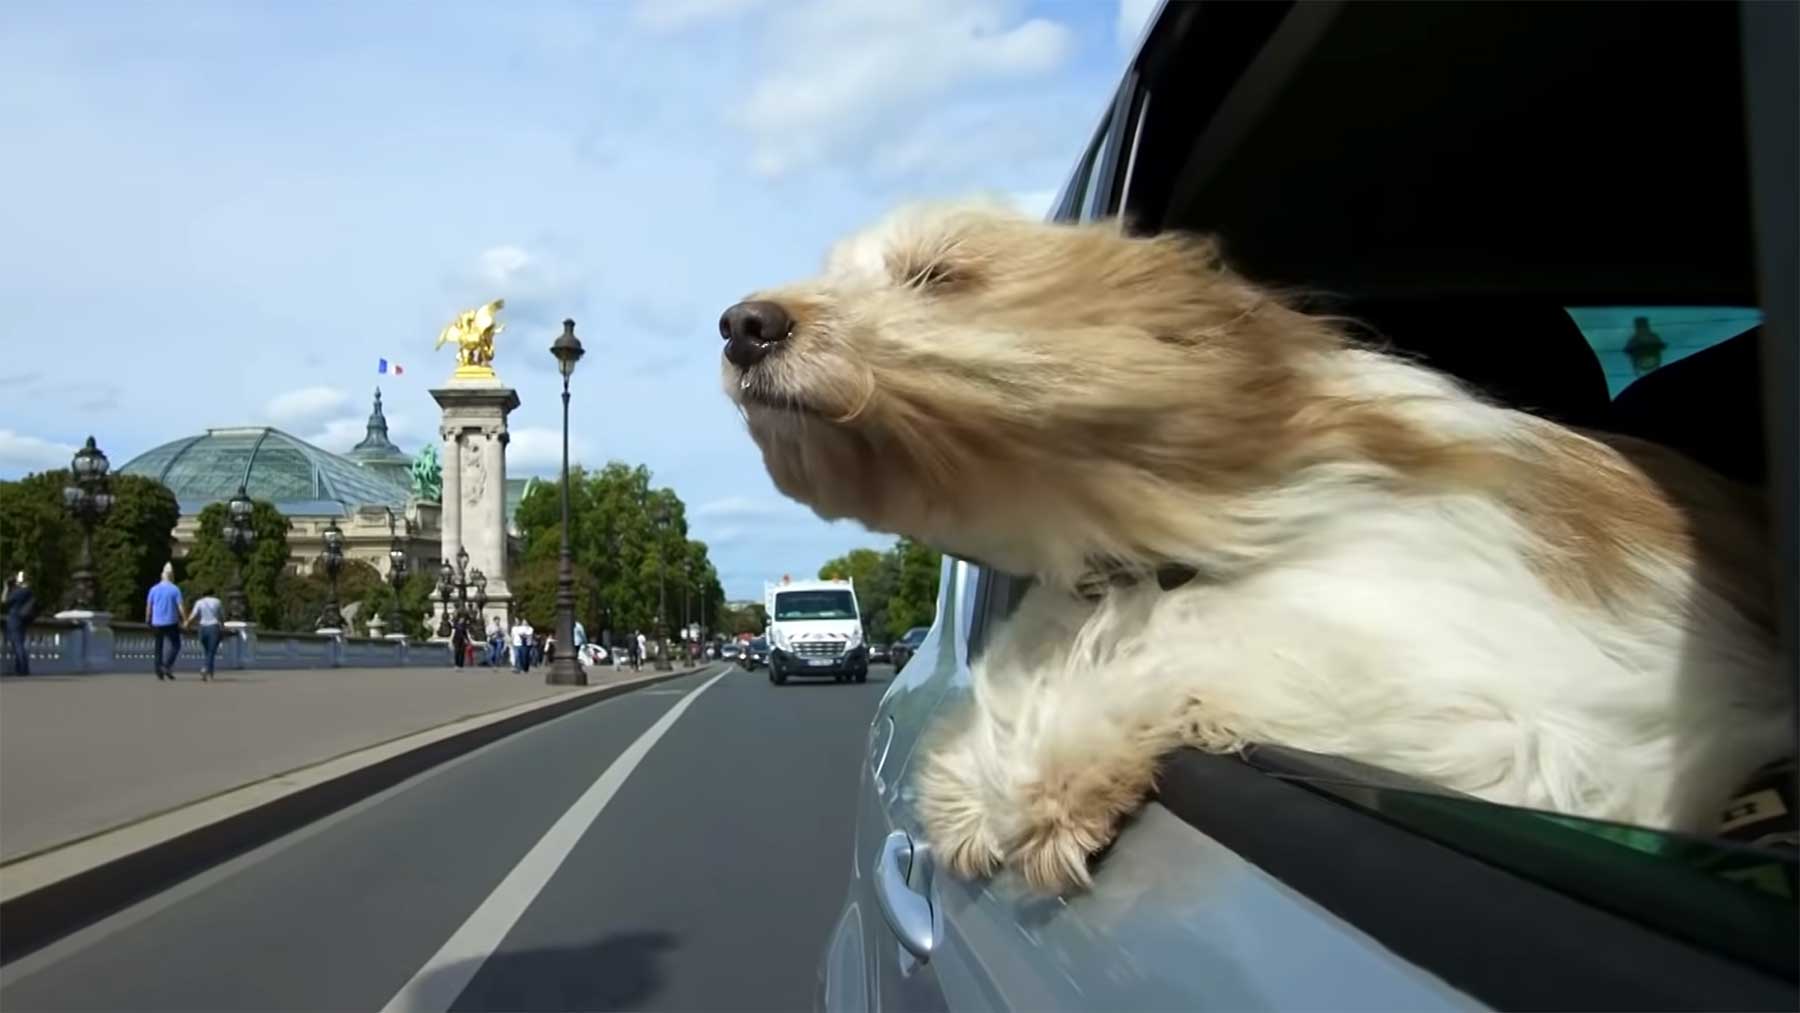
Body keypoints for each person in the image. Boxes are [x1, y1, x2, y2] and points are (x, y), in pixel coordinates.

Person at [146, 563, 184, 681]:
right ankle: (167, 665)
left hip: (156, 622)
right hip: (171, 622)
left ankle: (159, 671)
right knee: (176, 645)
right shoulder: (175, 589)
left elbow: (149, 606)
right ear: (171, 576)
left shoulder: (153, 589)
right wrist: (185, 619)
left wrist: (148, 619)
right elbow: (180, 606)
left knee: (158, 648)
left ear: (161, 577)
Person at [184, 587, 225, 681]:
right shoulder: (217, 602)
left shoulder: (199, 602)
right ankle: (205, 668)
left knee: (207, 651)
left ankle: (210, 673)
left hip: (202, 628)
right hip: (214, 627)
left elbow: (193, 615)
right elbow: (222, 616)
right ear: (213, 593)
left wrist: (187, 623)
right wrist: (222, 626)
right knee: (211, 651)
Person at [4, 571, 36, 677]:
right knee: (20, 643)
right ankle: (23, 669)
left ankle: (22, 670)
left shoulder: (20, 591)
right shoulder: (29, 591)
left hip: (15, 619)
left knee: (17, 644)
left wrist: (6, 587)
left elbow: (4, 601)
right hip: (23, 619)